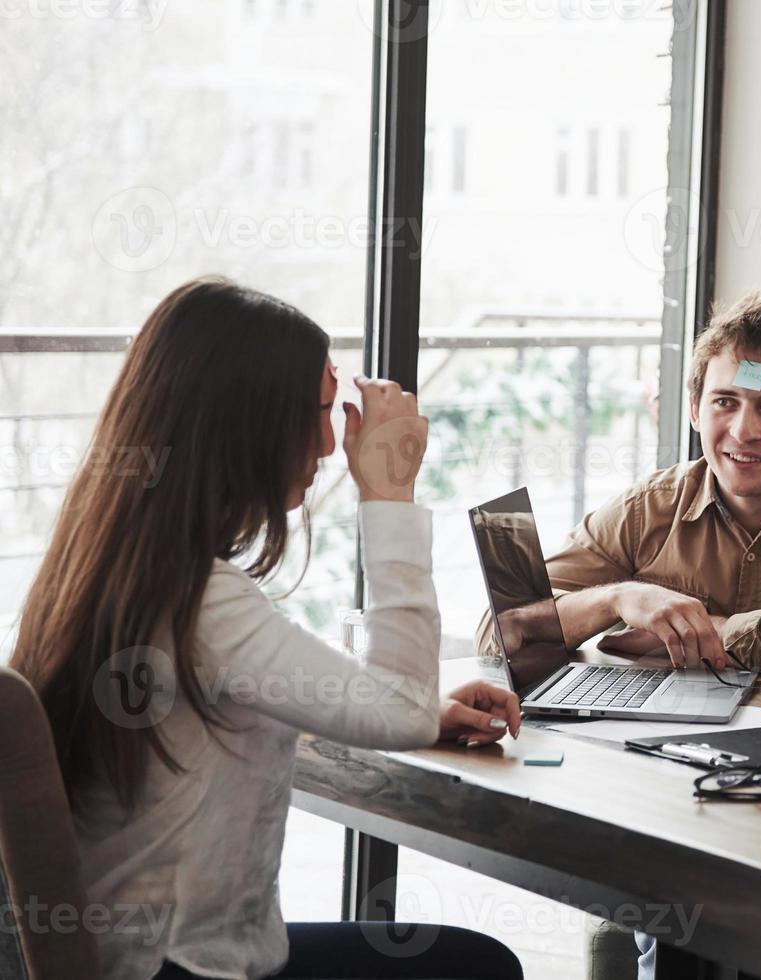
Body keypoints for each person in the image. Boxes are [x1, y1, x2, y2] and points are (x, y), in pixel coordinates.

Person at [10, 278, 522, 980]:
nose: (328, 442)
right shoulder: (204, 603)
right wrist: (389, 493)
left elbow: (226, 715)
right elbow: (398, 713)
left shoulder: (103, 573)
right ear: (246, 424)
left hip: (133, 960)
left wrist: (416, 709)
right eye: (319, 410)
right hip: (190, 970)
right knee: (478, 967)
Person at [476, 292, 761, 680]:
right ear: (696, 409)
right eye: (725, 402)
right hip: (659, 753)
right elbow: (502, 633)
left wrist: (697, 631)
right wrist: (619, 599)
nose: (743, 430)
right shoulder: (646, 509)